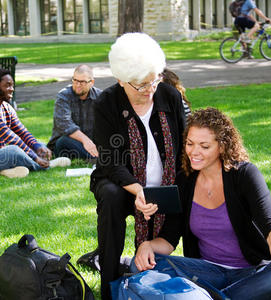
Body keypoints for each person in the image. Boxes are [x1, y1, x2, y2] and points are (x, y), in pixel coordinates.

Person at [133, 107, 271, 300]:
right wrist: (147, 246)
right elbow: (169, 239)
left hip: (251, 272)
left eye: (204, 146)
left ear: (222, 146)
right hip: (206, 273)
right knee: (143, 262)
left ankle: (203, 297)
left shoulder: (245, 175)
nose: (194, 152)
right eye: (190, 144)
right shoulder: (185, 180)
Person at [89, 32, 186, 300]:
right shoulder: (106, 103)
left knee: (190, 188)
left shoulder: (169, 96)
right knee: (111, 195)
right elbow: (109, 159)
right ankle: (109, 282)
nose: (148, 90)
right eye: (140, 85)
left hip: (164, 183)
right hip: (121, 182)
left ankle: (191, 271)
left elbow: (182, 151)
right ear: (121, 80)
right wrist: (137, 190)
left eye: (153, 81)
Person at [0, 68, 70, 178]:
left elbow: (22, 132)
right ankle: (46, 165)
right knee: (14, 150)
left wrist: (37, 146)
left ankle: (6, 171)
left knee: (38, 145)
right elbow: (11, 138)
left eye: (12, 85)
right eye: (7, 85)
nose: (12, 89)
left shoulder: (6, 107)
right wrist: (36, 158)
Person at [47, 64, 102, 161]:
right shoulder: (63, 96)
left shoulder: (100, 97)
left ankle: (97, 156)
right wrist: (86, 141)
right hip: (66, 143)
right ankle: (97, 159)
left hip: (91, 144)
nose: (77, 85)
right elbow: (65, 124)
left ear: (92, 82)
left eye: (82, 82)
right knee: (63, 141)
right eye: (75, 80)